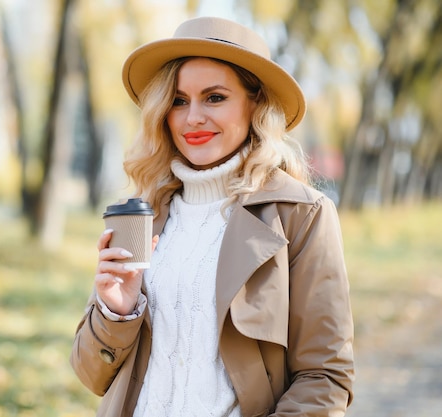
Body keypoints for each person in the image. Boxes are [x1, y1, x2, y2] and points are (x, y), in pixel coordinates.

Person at [70, 16, 354, 417]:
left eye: (215, 97)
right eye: (179, 100)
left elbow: (326, 379)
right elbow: (91, 374)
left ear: (255, 103)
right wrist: (116, 311)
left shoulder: (300, 215)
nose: (193, 118)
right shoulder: (142, 213)